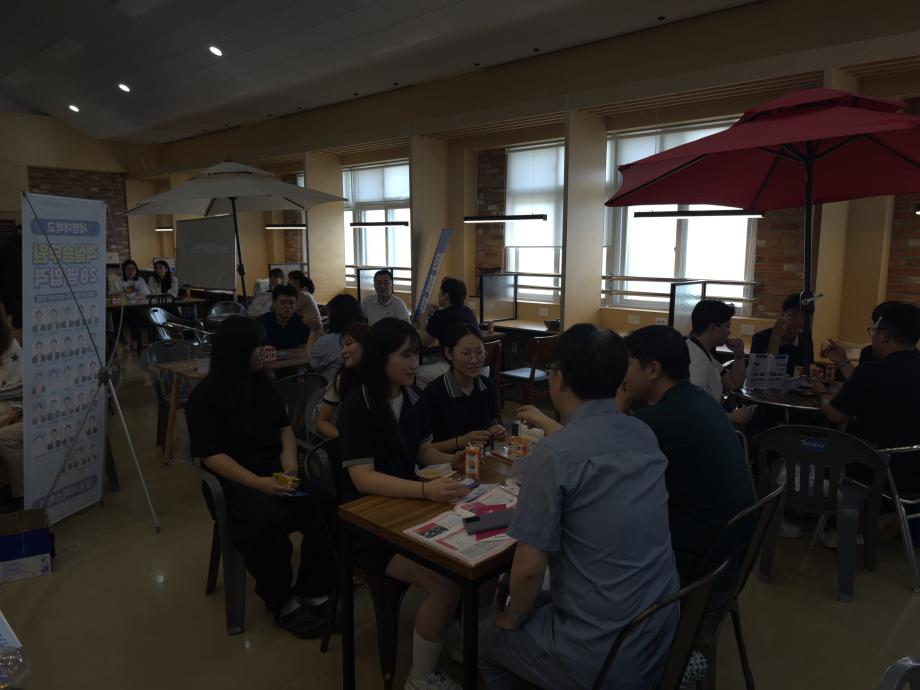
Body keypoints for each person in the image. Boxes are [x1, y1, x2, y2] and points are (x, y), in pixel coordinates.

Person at [478, 324, 679, 690]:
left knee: (487, 639)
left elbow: (527, 571)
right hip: (660, 631)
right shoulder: (643, 434)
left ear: (558, 379)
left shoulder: (554, 455)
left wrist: (514, 617)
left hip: (604, 656)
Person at [337, 318, 469, 690]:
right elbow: (363, 479)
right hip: (366, 525)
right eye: (406, 355)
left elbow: (423, 451)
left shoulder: (413, 398)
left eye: (417, 355)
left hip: (405, 510)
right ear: (381, 357)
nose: (415, 364)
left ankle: (460, 640)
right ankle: (420, 678)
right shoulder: (357, 407)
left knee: (468, 557)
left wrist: (452, 461)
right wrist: (425, 492)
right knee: (445, 582)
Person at [185, 316, 336, 638]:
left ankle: (312, 587)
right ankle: (281, 601)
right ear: (237, 351)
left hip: (275, 474)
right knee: (269, 522)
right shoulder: (205, 398)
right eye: (258, 345)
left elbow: (284, 429)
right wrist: (259, 483)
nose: (265, 350)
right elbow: (212, 456)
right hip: (233, 483)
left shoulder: (263, 384)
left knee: (326, 503)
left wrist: (289, 465)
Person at [624, 325, 755, 584]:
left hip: (699, 568)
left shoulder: (658, 420)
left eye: (627, 365)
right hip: (731, 553)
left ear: (653, 370)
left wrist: (620, 402)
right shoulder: (701, 400)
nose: (622, 374)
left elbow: (597, 461)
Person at [816, 302, 920, 492]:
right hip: (914, 474)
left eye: (874, 331)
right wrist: (842, 361)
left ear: (884, 335)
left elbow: (836, 415)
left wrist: (822, 393)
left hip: (877, 472)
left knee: (818, 444)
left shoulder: (871, 371)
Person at [422, 324, 504, 453]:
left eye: (479, 352)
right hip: (445, 463)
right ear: (449, 353)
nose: (474, 360)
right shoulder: (433, 393)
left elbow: (490, 425)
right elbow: (423, 450)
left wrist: (496, 431)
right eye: (466, 353)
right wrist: (461, 441)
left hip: (477, 461)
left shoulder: (486, 386)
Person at [686, 300, 748, 422]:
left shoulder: (702, 351)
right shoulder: (695, 360)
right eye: (727, 326)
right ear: (713, 328)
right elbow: (693, 411)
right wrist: (733, 417)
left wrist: (739, 354)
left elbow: (734, 383)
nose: (729, 332)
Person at [315, 322, 370, 440]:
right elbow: (322, 422)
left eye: (348, 344)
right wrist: (346, 438)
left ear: (367, 345)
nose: (343, 351)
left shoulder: (383, 376)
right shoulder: (342, 378)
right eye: (342, 347)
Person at [309, 293, 365, 381]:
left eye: (329, 313)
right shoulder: (366, 334)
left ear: (335, 315)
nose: (343, 350)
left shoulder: (327, 341)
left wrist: (313, 331)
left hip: (332, 386)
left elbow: (312, 362)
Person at [0, 302, 23, 511]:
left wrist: (15, 411)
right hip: (8, 403)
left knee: (5, 437)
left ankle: (17, 493)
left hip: (13, 405)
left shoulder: (10, 348)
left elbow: (17, 392)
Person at [751, 293, 810, 375]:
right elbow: (759, 374)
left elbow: (808, 374)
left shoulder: (806, 340)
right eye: (794, 314)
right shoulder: (760, 338)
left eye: (804, 316)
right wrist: (775, 338)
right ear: (782, 314)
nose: (799, 320)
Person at [417, 278, 478, 348]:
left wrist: (425, 315)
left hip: (452, 355)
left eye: (440, 291)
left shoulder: (441, 316)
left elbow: (423, 342)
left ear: (446, 295)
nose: (438, 294)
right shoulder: (469, 312)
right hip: (472, 353)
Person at [256, 284, 311, 349]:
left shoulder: (302, 322)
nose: (288, 306)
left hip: (294, 355)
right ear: (274, 303)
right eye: (283, 302)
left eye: (292, 302)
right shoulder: (261, 322)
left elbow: (308, 347)